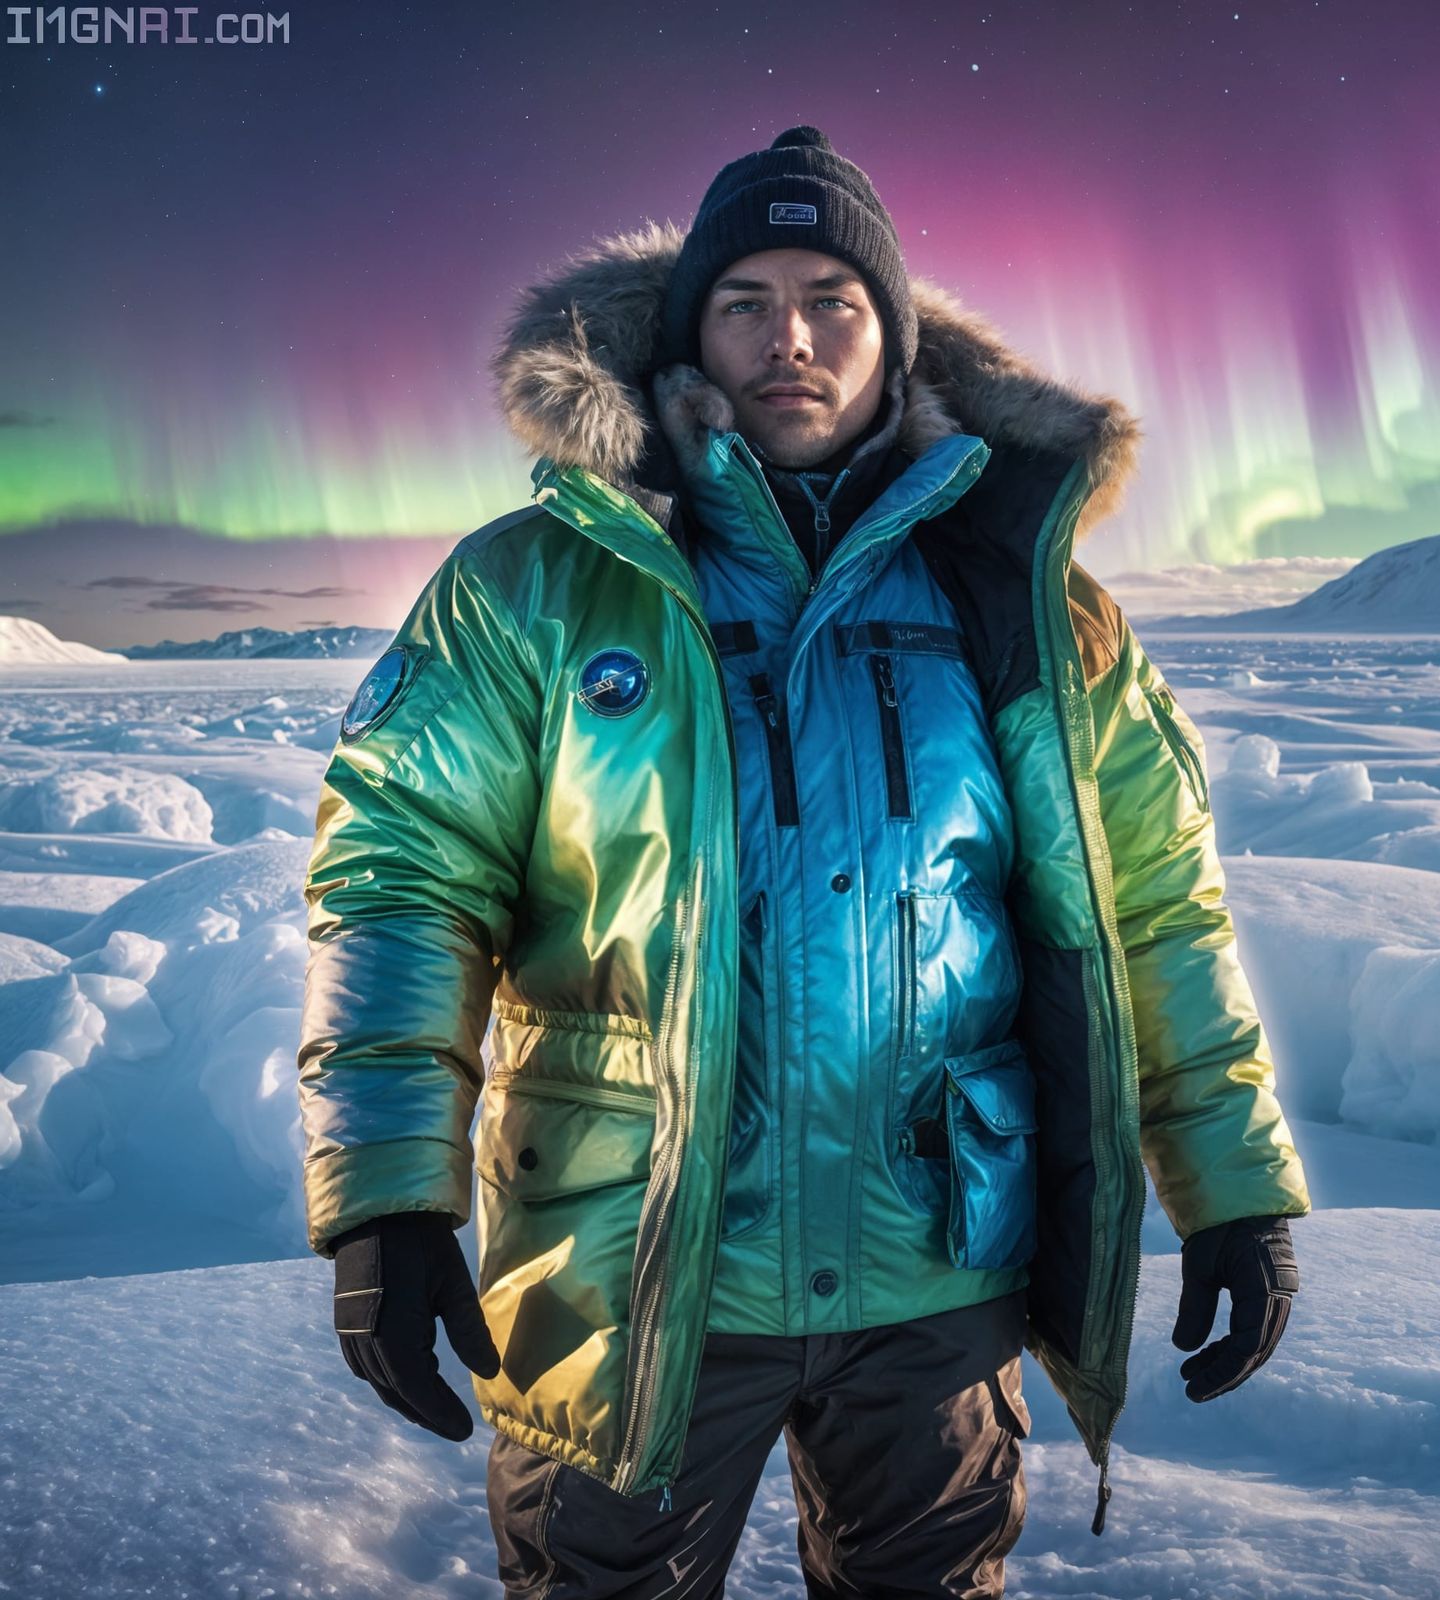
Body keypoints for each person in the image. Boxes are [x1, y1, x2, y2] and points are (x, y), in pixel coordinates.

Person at [297, 126, 1311, 1598]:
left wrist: (1233, 1187)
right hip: (630, 1266)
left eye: (834, 300)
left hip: (939, 1272)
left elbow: (1150, 907)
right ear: (685, 332)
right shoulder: (536, 585)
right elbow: (402, 880)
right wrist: (389, 1197)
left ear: (894, 339)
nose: (792, 338)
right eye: (748, 299)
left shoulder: (1027, 603)